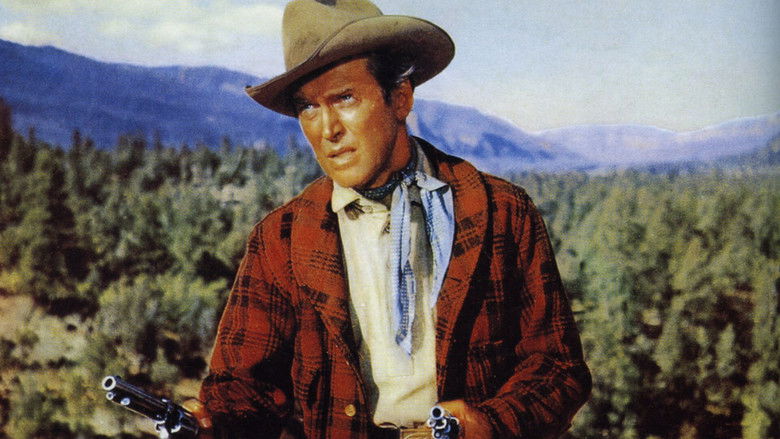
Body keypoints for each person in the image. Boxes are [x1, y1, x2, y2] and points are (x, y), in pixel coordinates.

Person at [186, 0, 591, 438]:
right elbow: (245, 387)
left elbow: (557, 369)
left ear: (400, 98)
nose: (327, 129)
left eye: (345, 98)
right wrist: (214, 422)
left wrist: (489, 425)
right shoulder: (280, 239)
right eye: (308, 108)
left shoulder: (500, 212)